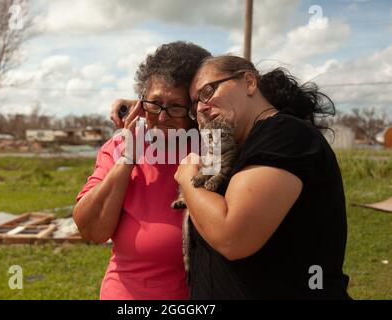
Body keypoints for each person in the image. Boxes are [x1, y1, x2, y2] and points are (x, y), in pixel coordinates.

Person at [174, 55, 351, 299]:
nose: (201, 108)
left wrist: (186, 177)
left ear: (248, 82)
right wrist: (139, 104)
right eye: (194, 105)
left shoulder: (284, 134)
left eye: (207, 91)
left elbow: (232, 236)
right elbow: (167, 114)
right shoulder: (243, 144)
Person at [73, 41, 211, 300]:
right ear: (142, 102)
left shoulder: (211, 149)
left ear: (193, 109)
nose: (161, 116)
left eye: (176, 107)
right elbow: (92, 230)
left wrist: (155, 101)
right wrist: (128, 158)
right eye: (154, 104)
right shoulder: (118, 146)